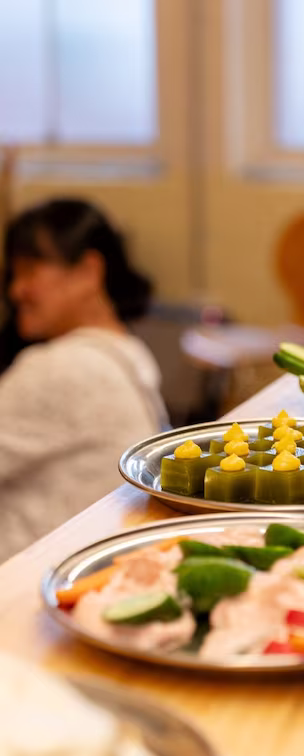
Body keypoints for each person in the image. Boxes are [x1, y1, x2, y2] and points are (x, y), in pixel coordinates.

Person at [0, 198, 168, 562]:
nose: (16, 291)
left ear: (89, 271)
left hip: (31, 579)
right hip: (108, 559)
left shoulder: (61, 367)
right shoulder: (129, 351)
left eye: (30, 271)